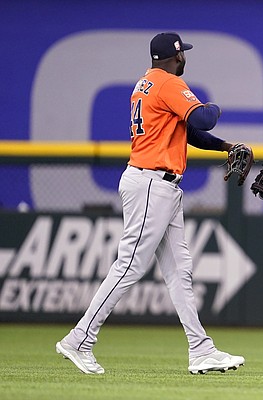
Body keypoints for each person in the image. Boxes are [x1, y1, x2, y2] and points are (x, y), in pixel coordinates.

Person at [55, 32, 246, 375]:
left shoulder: (146, 83)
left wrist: (224, 147)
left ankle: (200, 349)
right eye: (183, 54)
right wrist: (218, 105)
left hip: (160, 185)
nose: (185, 58)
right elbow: (202, 118)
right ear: (176, 57)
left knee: (179, 272)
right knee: (129, 265)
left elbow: (190, 133)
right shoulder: (167, 83)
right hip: (150, 183)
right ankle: (79, 338)